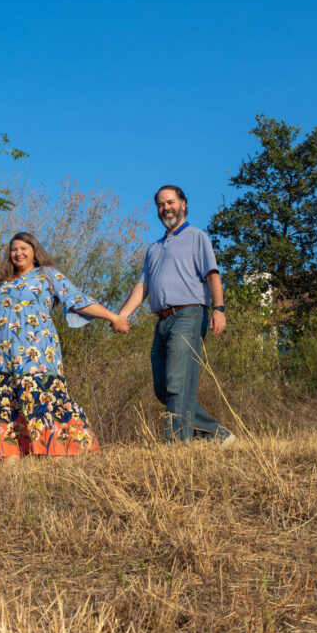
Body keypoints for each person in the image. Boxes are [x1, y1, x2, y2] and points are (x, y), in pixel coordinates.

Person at [0, 232, 124, 461]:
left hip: (37, 353)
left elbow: (77, 299)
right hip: (0, 358)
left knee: (43, 396)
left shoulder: (46, 275)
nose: (18, 253)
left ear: (34, 251)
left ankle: (56, 451)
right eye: (14, 249)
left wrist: (112, 317)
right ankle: (10, 457)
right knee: (4, 402)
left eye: (24, 248)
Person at [114, 185, 235, 445]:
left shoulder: (196, 236)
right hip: (162, 321)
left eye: (170, 202)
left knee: (177, 385)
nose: (165, 208)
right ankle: (218, 434)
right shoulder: (154, 248)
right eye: (160, 204)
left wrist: (219, 308)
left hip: (189, 315)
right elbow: (143, 286)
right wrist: (122, 315)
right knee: (164, 388)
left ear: (182, 204)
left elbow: (212, 274)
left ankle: (177, 448)